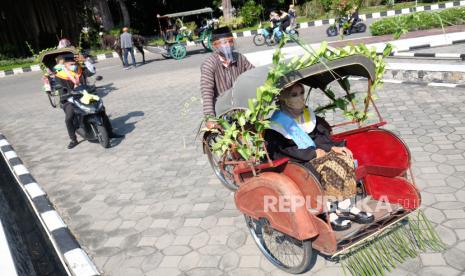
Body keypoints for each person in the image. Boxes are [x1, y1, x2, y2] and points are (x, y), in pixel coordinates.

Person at [264, 83, 374, 231]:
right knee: (330, 167)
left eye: (301, 93)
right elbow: (282, 150)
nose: (300, 97)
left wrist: (332, 147)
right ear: (283, 98)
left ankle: (344, 207)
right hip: (297, 161)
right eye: (294, 94)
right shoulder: (277, 123)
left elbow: (317, 137)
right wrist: (312, 154)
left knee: (344, 159)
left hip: (314, 153)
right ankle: (328, 211)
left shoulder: (305, 114)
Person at [54, 54, 123, 149]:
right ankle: (73, 139)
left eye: (74, 62)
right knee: (69, 117)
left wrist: (85, 60)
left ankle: (110, 132)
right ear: (64, 64)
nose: (73, 65)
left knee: (101, 110)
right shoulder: (60, 75)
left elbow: (92, 71)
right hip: (70, 98)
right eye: (70, 63)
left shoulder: (79, 70)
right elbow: (58, 87)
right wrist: (64, 93)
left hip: (86, 95)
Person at [200, 27, 254, 127]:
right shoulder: (209, 64)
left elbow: (253, 74)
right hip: (223, 111)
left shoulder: (239, 57)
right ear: (215, 45)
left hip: (241, 107)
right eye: (224, 43)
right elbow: (207, 91)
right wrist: (209, 117)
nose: (228, 45)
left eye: (230, 41)